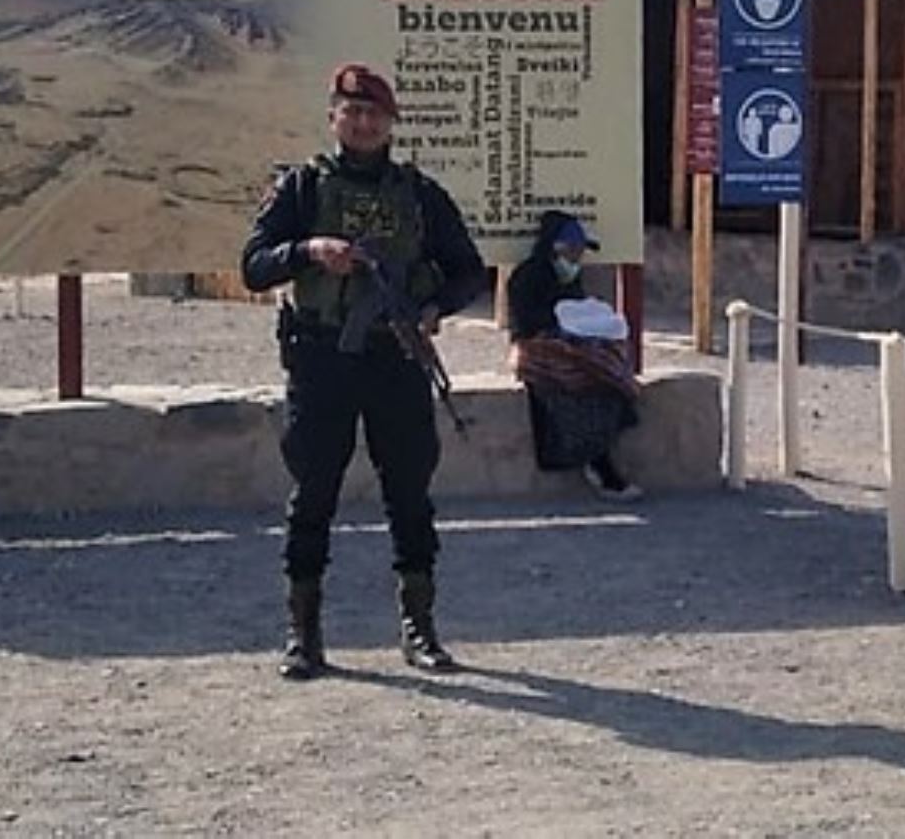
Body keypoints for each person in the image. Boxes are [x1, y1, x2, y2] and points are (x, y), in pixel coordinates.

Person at [241, 62, 486, 680]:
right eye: (352, 112)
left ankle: (420, 630)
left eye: (374, 113)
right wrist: (309, 251)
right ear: (333, 119)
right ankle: (304, 634)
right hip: (322, 358)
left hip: (396, 357)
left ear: (392, 124)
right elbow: (253, 265)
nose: (363, 122)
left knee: (408, 492)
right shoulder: (301, 189)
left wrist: (432, 309)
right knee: (314, 492)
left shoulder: (420, 195)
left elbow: (467, 270)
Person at [505, 211, 643, 501]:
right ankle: (599, 466)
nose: (578, 257)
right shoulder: (527, 277)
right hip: (537, 349)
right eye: (574, 249)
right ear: (556, 247)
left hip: (570, 346)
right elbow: (527, 325)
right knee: (578, 378)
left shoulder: (569, 278)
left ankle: (600, 460)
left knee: (607, 369)